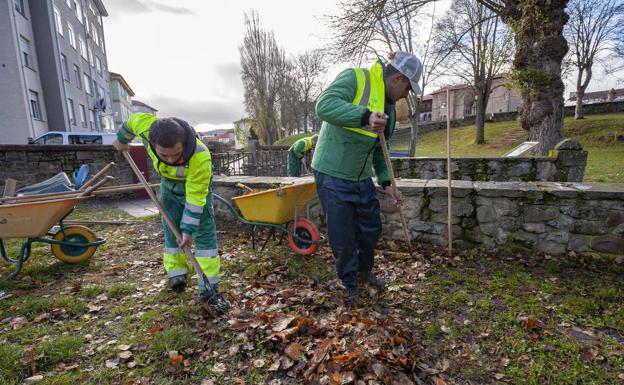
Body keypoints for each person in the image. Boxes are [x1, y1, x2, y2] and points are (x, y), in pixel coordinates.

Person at [311, 51, 423, 307]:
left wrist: (386, 184)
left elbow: (379, 151)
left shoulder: (390, 111)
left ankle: (364, 272)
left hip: (361, 177)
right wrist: (365, 116)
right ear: (397, 78)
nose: (407, 94)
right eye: (408, 87)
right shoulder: (355, 78)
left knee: (370, 227)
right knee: (343, 234)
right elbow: (323, 105)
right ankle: (349, 281)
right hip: (332, 172)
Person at [112, 112, 222, 307]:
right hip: (168, 188)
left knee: (204, 235)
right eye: (164, 155)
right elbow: (130, 123)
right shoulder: (146, 128)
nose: (170, 160)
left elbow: (196, 197)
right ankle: (176, 273)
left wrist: (188, 230)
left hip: (196, 189)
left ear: (184, 143)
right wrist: (122, 140)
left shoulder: (200, 156)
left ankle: (209, 287)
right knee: (171, 229)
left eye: (176, 154)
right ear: (151, 143)